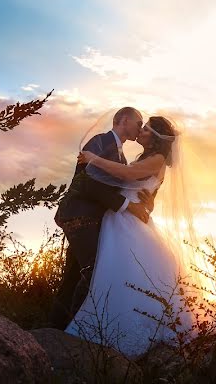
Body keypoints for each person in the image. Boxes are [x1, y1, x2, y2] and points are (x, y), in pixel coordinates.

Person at [65, 115, 197, 356]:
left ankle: (121, 336)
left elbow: (127, 175)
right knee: (107, 272)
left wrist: (93, 159)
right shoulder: (145, 157)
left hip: (129, 223)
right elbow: (143, 191)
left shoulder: (157, 159)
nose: (141, 132)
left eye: (145, 129)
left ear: (155, 137)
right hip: (121, 218)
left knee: (118, 273)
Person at [49, 107, 153, 330]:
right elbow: (87, 182)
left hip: (91, 220)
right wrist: (127, 206)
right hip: (78, 215)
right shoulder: (99, 142)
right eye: (138, 122)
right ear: (123, 120)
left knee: (73, 274)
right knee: (93, 271)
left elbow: (117, 188)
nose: (140, 127)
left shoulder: (122, 157)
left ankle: (55, 328)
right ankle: (73, 329)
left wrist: (144, 202)